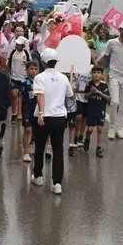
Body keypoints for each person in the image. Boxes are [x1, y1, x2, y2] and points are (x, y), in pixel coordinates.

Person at [30, 48, 72, 195]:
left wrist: (41, 113)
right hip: (60, 117)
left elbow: (40, 95)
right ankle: (57, 183)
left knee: (40, 147)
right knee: (58, 149)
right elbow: (70, 95)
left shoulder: (40, 77)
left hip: (44, 117)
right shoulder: (63, 78)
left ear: (43, 62)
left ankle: (38, 176)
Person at [80, 65, 110, 158]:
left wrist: (99, 93)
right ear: (91, 74)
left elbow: (108, 98)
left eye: (98, 73)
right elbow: (85, 97)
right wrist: (91, 92)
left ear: (102, 75)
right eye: (94, 72)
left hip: (100, 109)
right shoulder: (89, 84)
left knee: (100, 129)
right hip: (91, 109)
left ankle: (99, 147)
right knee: (90, 129)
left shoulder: (104, 86)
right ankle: (87, 139)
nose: (96, 75)